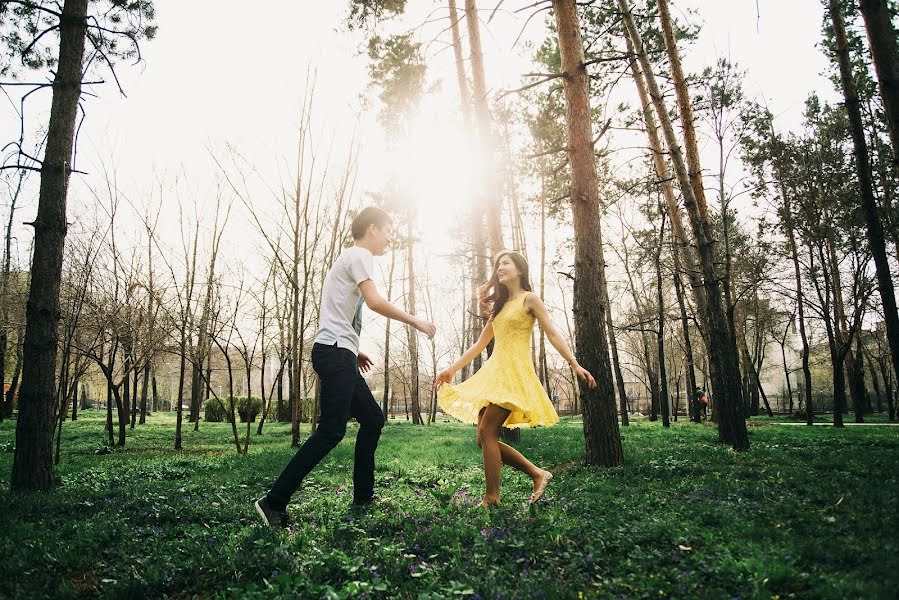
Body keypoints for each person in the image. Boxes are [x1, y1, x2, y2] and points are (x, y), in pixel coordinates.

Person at [255, 207, 436, 527]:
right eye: (387, 230)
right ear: (372, 229)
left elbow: (336, 315)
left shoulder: (349, 259)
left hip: (339, 352)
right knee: (331, 430)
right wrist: (416, 320)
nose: (389, 238)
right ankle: (274, 501)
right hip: (334, 353)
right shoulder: (360, 255)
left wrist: (354, 351)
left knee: (373, 418)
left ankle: (363, 497)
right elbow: (376, 301)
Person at [435, 250, 596, 507]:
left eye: (505, 263)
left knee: (487, 431)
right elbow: (479, 344)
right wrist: (451, 370)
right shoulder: (498, 308)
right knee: (482, 438)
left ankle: (492, 498)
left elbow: (552, 333)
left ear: (519, 269)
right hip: (494, 374)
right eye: (497, 265)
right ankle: (537, 474)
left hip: (514, 375)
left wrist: (574, 363)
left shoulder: (529, 299)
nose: (500, 268)